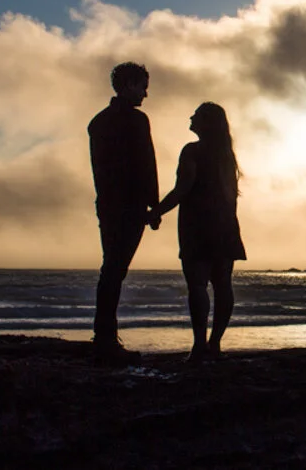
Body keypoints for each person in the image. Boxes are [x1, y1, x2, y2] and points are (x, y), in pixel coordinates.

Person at [150, 102, 246, 362]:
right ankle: (214, 345)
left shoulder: (192, 151)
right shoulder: (227, 155)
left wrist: (156, 211)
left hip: (198, 225)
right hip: (225, 224)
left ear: (205, 122)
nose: (190, 117)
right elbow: (232, 197)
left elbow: (183, 188)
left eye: (196, 115)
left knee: (197, 285)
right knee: (223, 285)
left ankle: (199, 346)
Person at [88, 62, 160, 366]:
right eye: (142, 86)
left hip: (107, 203)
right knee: (115, 270)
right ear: (128, 85)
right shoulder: (136, 121)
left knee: (111, 269)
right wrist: (153, 206)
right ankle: (105, 339)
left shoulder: (98, 122)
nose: (146, 93)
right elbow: (147, 164)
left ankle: (104, 335)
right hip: (129, 205)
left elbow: (100, 170)